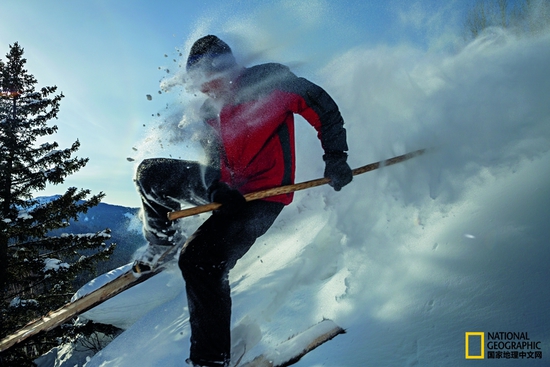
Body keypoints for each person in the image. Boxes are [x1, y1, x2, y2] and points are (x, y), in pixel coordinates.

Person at [133, 35, 352, 367]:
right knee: (149, 172)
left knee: (199, 261)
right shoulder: (209, 111)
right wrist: (214, 190)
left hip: (263, 196)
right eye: (196, 83)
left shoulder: (270, 82)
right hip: (226, 192)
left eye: (207, 80)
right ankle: (162, 239)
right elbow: (212, 160)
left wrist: (335, 157)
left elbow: (322, 106)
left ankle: (210, 361)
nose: (203, 89)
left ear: (229, 68)